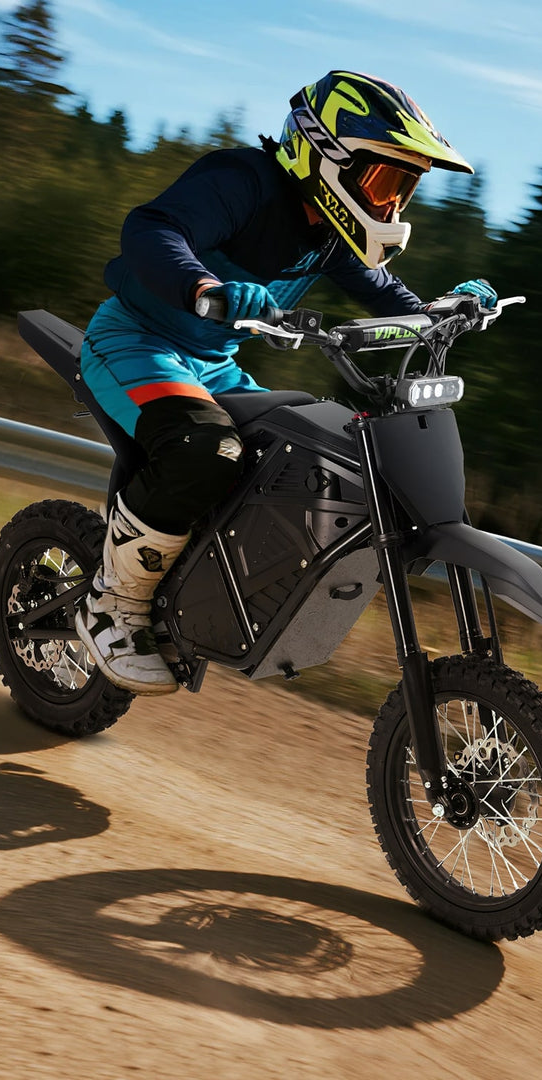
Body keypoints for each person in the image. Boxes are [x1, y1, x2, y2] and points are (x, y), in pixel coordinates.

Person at [75, 69, 499, 694]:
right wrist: (205, 289)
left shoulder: (328, 231)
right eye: (384, 180)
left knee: (296, 458)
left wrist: (442, 313)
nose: (392, 204)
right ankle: (113, 605)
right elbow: (151, 229)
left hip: (214, 364)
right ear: (327, 153)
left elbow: (384, 294)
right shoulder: (241, 181)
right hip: (138, 340)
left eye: (402, 189)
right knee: (206, 449)